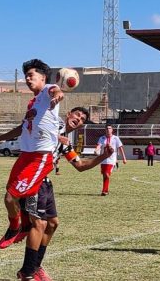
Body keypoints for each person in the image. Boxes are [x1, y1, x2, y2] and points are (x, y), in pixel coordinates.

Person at [0, 59, 64, 279]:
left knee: (14, 199)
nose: (27, 79)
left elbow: (57, 91)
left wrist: (57, 94)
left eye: (31, 75)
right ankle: (19, 226)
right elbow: (20, 129)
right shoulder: (32, 104)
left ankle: (19, 231)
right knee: (9, 199)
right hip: (25, 156)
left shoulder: (47, 91)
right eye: (26, 76)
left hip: (39, 158)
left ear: (43, 78)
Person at [16, 107, 114, 280]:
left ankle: (36, 266)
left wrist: (103, 156)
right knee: (39, 224)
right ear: (69, 114)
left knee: (52, 224)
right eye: (77, 115)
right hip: (34, 179)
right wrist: (55, 137)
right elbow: (36, 130)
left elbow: (81, 166)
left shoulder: (65, 142)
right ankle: (27, 272)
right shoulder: (54, 125)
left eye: (83, 119)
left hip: (45, 183)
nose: (79, 119)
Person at [94, 124, 127, 196]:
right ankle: (106, 190)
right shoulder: (102, 138)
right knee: (104, 175)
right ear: (105, 130)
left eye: (109, 128)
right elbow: (99, 145)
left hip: (112, 159)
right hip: (103, 159)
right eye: (107, 129)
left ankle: (104, 191)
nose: (108, 130)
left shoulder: (116, 138)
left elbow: (120, 148)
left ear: (112, 130)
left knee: (106, 174)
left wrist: (124, 158)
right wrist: (96, 150)